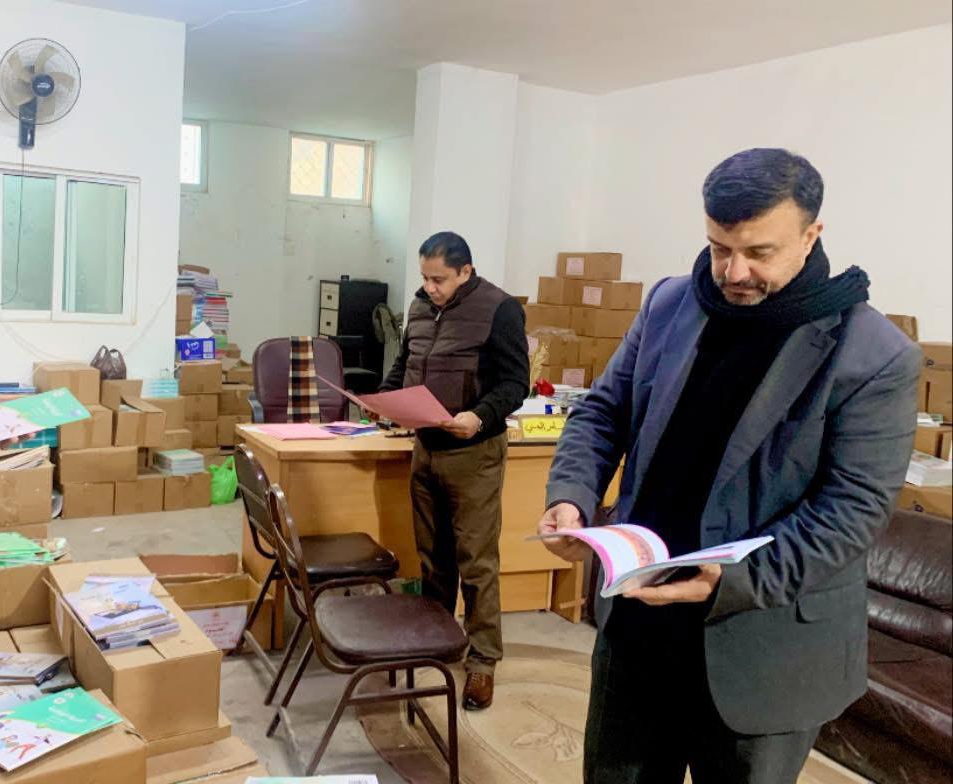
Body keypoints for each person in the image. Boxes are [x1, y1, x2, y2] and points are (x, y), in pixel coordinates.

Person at [538, 148, 920, 783]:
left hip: (765, 647)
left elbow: (852, 512)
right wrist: (571, 497)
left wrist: (731, 579)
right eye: (719, 248)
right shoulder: (670, 304)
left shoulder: (873, 355)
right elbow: (603, 411)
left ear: (811, 234)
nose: (734, 272)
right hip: (639, 627)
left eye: (759, 252)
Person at [379, 231, 529, 710]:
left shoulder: (499, 309)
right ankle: (438, 637)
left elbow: (515, 383)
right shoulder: (421, 306)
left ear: (466, 271)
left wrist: (479, 417)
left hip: (474, 452)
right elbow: (405, 364)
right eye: (424, 278)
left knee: (476, 561)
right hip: (425, 447)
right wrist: (383, 400)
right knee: (433, 555)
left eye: (439, 279)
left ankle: (483, 660)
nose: (430, 288)